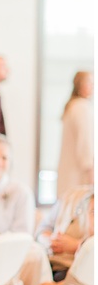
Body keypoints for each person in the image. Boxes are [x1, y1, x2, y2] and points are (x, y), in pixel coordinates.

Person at [35, 184, 93, 280]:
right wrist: (50, 241)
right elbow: (42, 229)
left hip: (76, 269)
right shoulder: (69, 196)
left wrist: (76, 245)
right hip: (49, 261)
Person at [57, 71, 93, 199]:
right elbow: (85, 143)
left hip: (68, 176)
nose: (93, 87)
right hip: (78, 176)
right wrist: (91, 171)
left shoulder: (72, 106)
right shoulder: (81, 107)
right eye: (89, 82)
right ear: (80, 85)